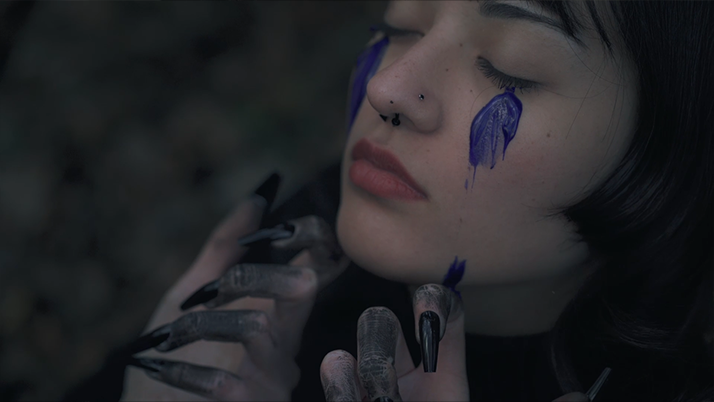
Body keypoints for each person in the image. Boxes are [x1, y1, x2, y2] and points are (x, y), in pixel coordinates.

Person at [63, 1, 713, 401]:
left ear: (676, 152)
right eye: (401, 25)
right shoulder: (305, 257)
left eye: (509, 67)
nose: (388, 87)